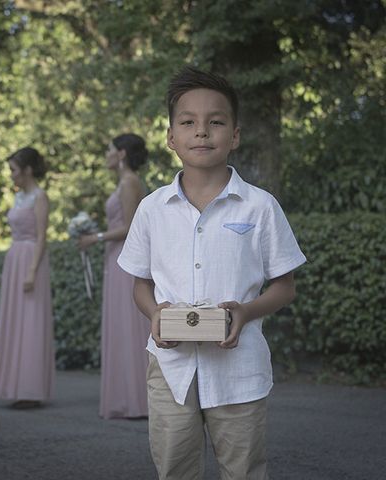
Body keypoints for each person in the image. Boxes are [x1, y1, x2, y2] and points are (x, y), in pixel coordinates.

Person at [117, 67, 307, 479]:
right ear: (171, 138)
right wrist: (154, 314)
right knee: (175, 468)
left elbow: (285, 287)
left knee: (243, 470)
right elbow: (140, 285)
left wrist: (244, 312)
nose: (201, 132)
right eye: (188, 122)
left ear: (235, 135)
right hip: (170, 367)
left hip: (240, 369)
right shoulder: (151, 208)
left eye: (215, 122)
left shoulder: (259, 206)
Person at [78, 133, 150, 419]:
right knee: (120, 324)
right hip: (115, 256)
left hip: (126, 256)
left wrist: (94, 237)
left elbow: (131, 226)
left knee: (130, 324)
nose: (106, 155)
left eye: (109, 150)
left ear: (120, 154)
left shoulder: (130, 182)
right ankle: (124, 397)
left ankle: (139, 399)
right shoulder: (123, 183)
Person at [0, 147, 55, 409]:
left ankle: (30, 388)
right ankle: (14, 385)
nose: (11, 175)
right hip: (14, 258)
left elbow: (41, 236)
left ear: (27, 170)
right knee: (15, 320)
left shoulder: (40, 197)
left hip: (30, 260)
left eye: (14, 170)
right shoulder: (19, 198)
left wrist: (31, 271)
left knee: (31, 322)